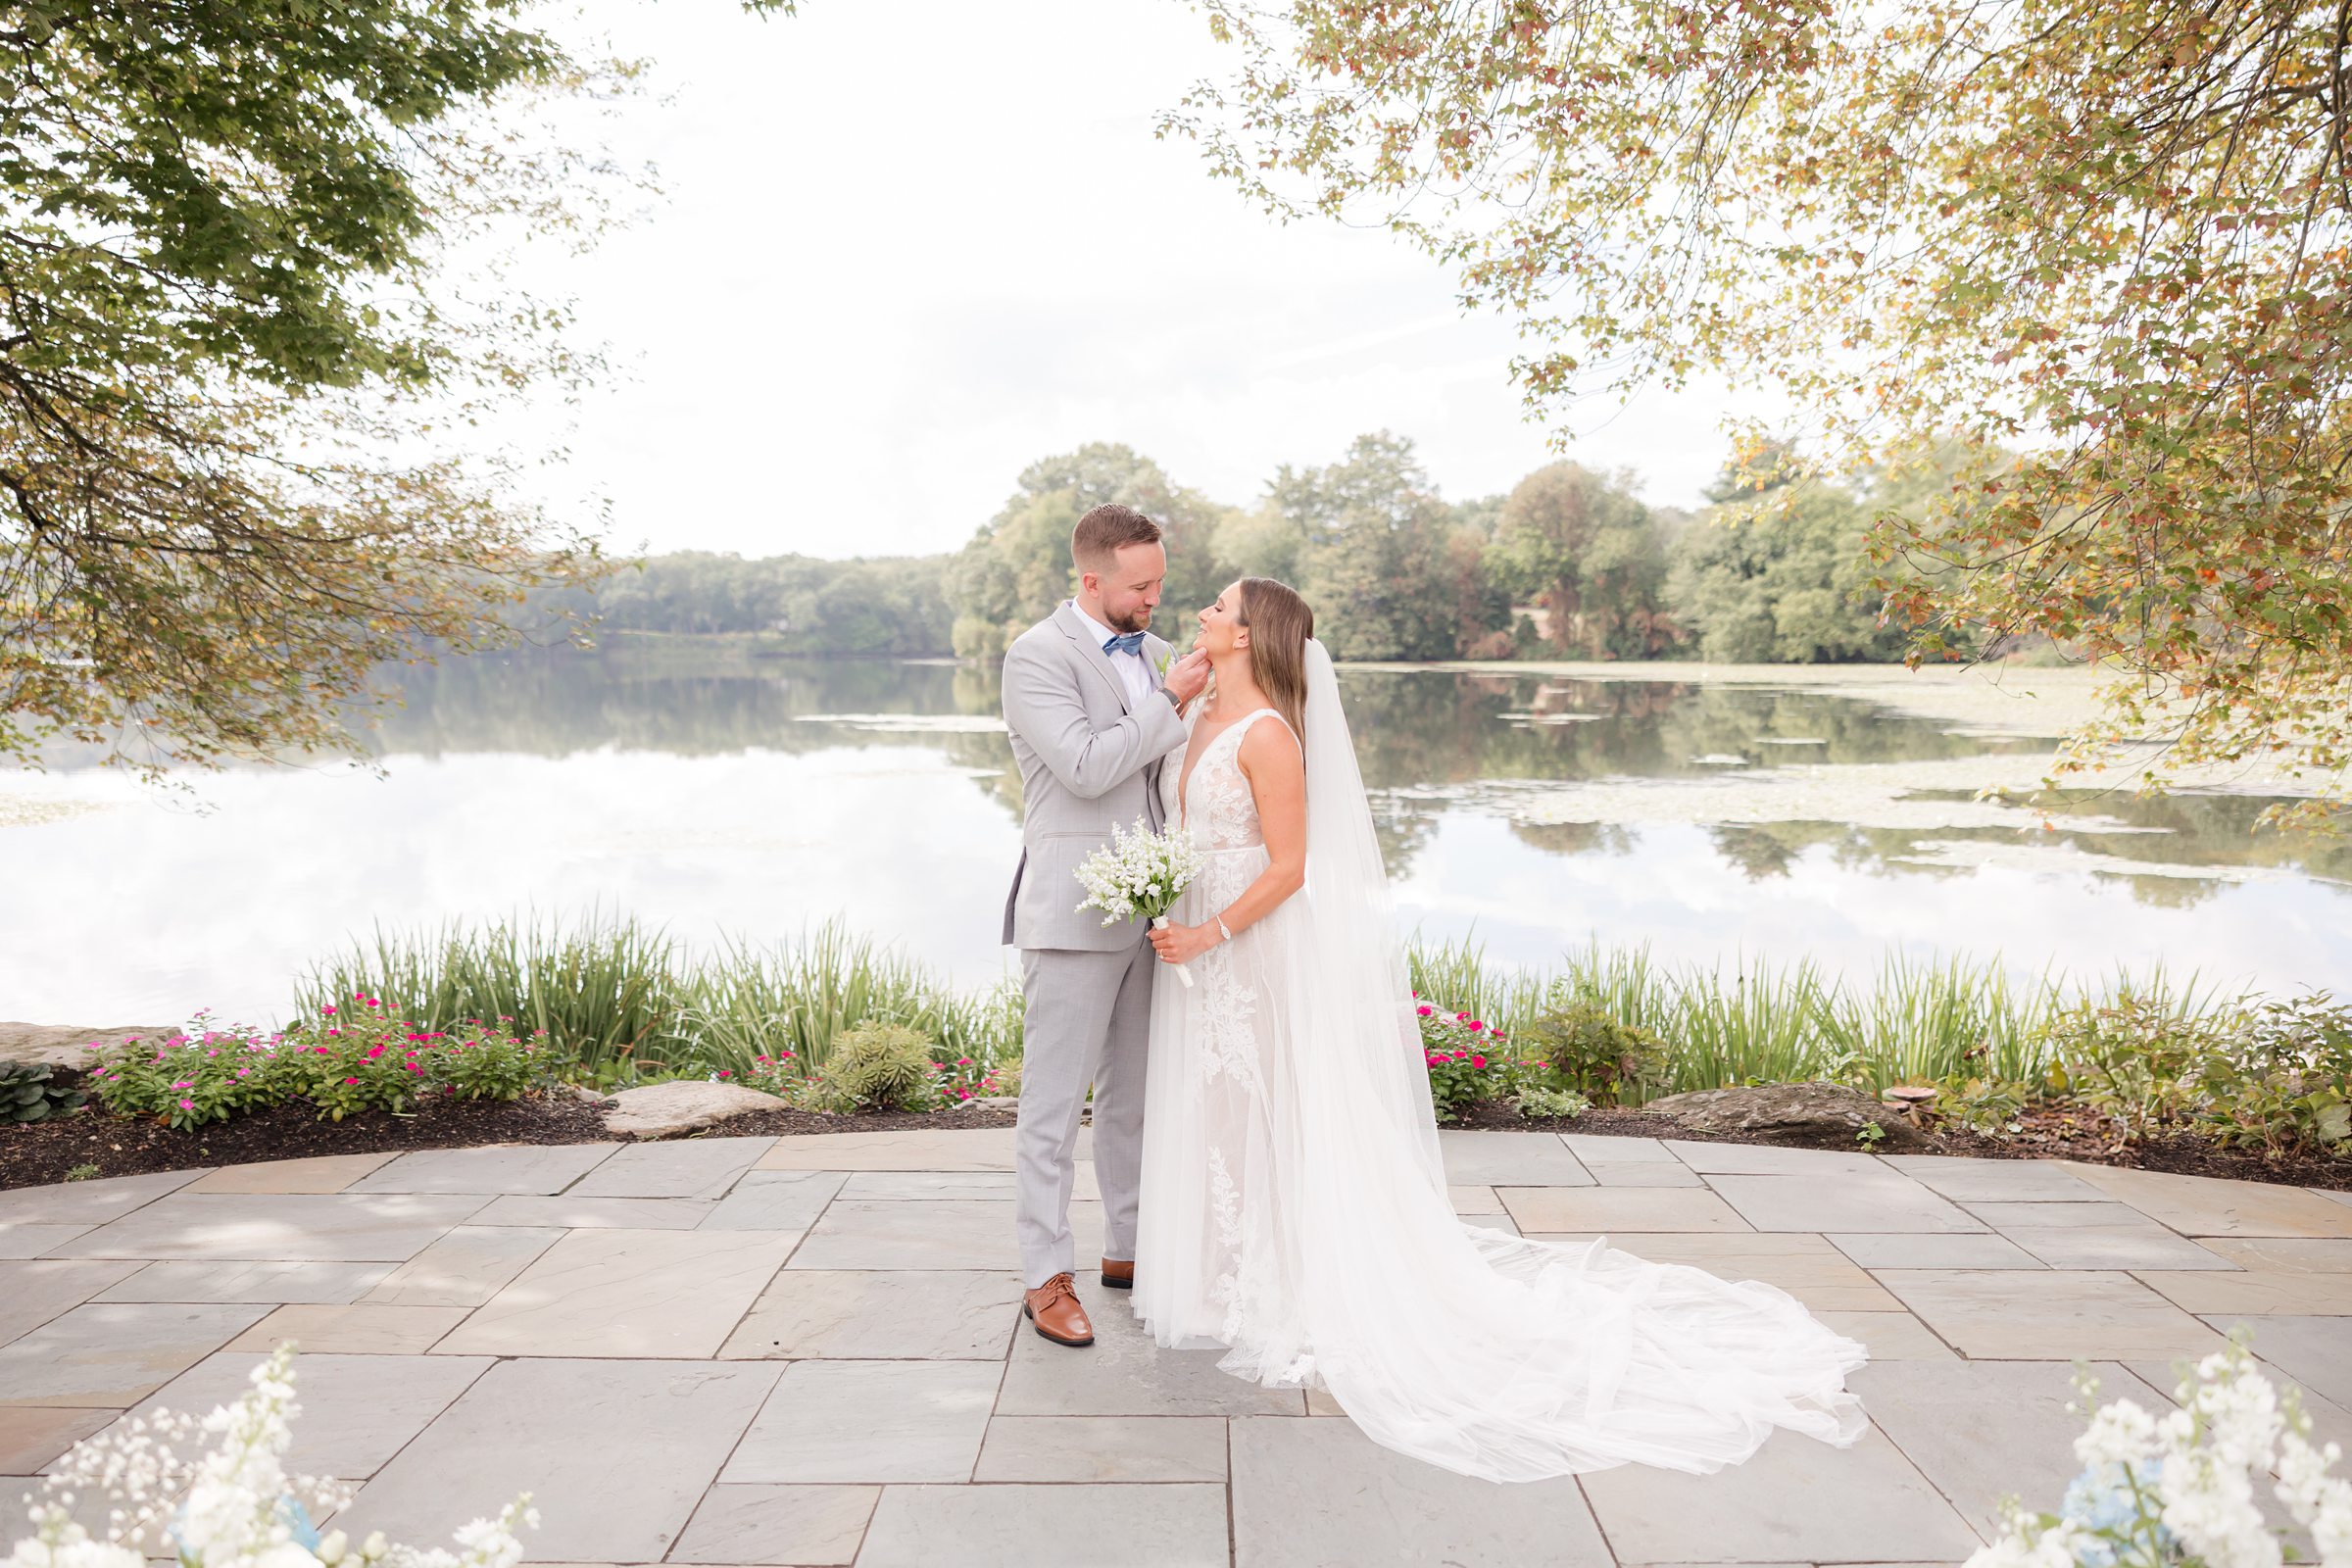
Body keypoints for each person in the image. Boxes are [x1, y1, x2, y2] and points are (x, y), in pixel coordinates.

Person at [1131, 575, 1871, 1482]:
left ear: (1249, 636)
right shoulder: (1192, 707)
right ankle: (1212, 1275)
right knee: (1212, 1109)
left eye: (1217, 606)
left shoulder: (1271, 737)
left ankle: (1273, 1281)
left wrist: (1210, 929)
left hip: (1245, 942)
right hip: (1189, 940)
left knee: (1270, 1103)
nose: (1202, 612)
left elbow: (1291, 867)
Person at [998, 503, 1208, 1348]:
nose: (1157, 596)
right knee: (1053, 1107)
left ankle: (1130, 1249)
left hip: (1155, 909)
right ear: (1092, 579)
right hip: (1073, 907)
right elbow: (1085, 769)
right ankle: (1045, 1277)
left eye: (1160, 579)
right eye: (1141, 584)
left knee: (1135, 1097)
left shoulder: (1159, 655)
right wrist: (1168, 700)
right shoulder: (1036, 656)